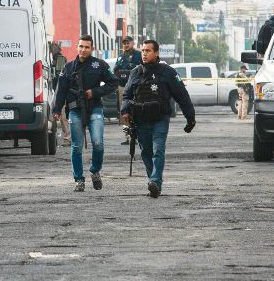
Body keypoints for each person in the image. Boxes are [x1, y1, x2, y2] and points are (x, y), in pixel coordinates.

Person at [121, 40, 196, 198]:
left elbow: (182, 95)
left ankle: (155, 180)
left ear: (156, 53)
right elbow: (127, 95)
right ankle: (153, 183)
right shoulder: (136, 72)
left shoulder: (167, 72)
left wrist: (190, 118)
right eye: (143, 50)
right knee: (146, 153)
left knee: (158, 150)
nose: (144, 53)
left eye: (148, 51)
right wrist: (125, 111)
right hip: (141, 119)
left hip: (160, 118)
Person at [52, 35, 119, 192]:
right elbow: (61, 90)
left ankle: (95, 171)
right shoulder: (68, 67)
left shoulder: (99, 65)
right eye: (81, 46)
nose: (83, 50)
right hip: (75, 109)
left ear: (92, 49)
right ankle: (79, 180)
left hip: (94, 107)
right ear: (77, 47)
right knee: (76, 146)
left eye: (87, 47)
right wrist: (57, 109)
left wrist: (94, 92)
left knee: (98, 142)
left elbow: (113, 83)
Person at [114, 35, 142, 145]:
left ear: (132, 43)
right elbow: (116, 69)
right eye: (124, 43)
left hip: (136, 87)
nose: (126, 45)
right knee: (124, 112)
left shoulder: (138, 55)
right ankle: (128, 137)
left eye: (128, 42)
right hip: (122, 86)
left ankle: (137, 136)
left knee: (136, 110)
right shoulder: (120, 56)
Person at [51, 42, 71, 145]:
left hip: (59, 90)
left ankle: (67, 138)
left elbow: (60, 75)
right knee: (52, 116)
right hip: (50, 90)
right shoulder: (48, 58)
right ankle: (52, 139)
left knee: (63, 116)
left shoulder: (60, 59)